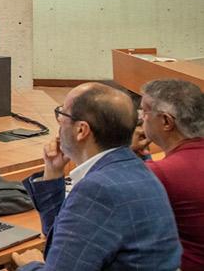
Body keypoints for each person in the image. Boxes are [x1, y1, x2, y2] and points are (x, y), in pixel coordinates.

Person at [12, 82, 181, 270]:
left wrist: (29, 266)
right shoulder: (138, 170)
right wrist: (53, 173)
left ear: (81, 130)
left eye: (62, 114)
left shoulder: (98, 189)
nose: (59, 122)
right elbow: (66, 244)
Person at [132, 79, 204, 271]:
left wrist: (124, 155)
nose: (141, 119)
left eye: (144, 112)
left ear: (166, 121)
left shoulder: (160, 173)